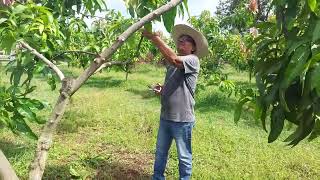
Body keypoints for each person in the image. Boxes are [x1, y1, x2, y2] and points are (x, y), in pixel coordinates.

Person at [142, 24, 209, 180]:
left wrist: (154, 38)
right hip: (166, 116)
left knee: (184, 156)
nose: (182, 41)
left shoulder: (193, 60)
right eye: (180, 39)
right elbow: (174, 79)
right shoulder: (172, 65)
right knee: (160, 152)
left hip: (182, 120)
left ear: (193, 48)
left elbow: (173, 59)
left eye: (186, 40)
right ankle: (157, 177)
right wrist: (163, 90)